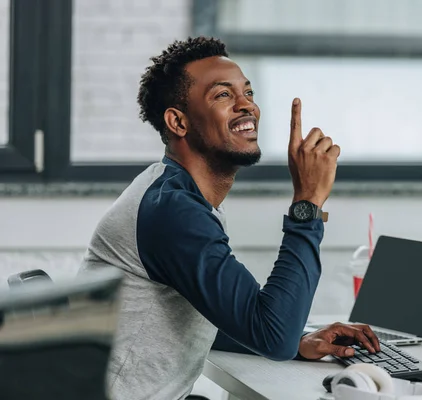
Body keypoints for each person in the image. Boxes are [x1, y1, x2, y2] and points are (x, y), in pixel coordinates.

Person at [79, 36, 380, 400]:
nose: (246, 106)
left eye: (248, 93)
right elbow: (273, 337)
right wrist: (308, 202)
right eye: (223, 95)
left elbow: (205, 314)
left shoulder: (177, 195)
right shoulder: (174, 211)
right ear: (178, 121)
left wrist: (299, 341)